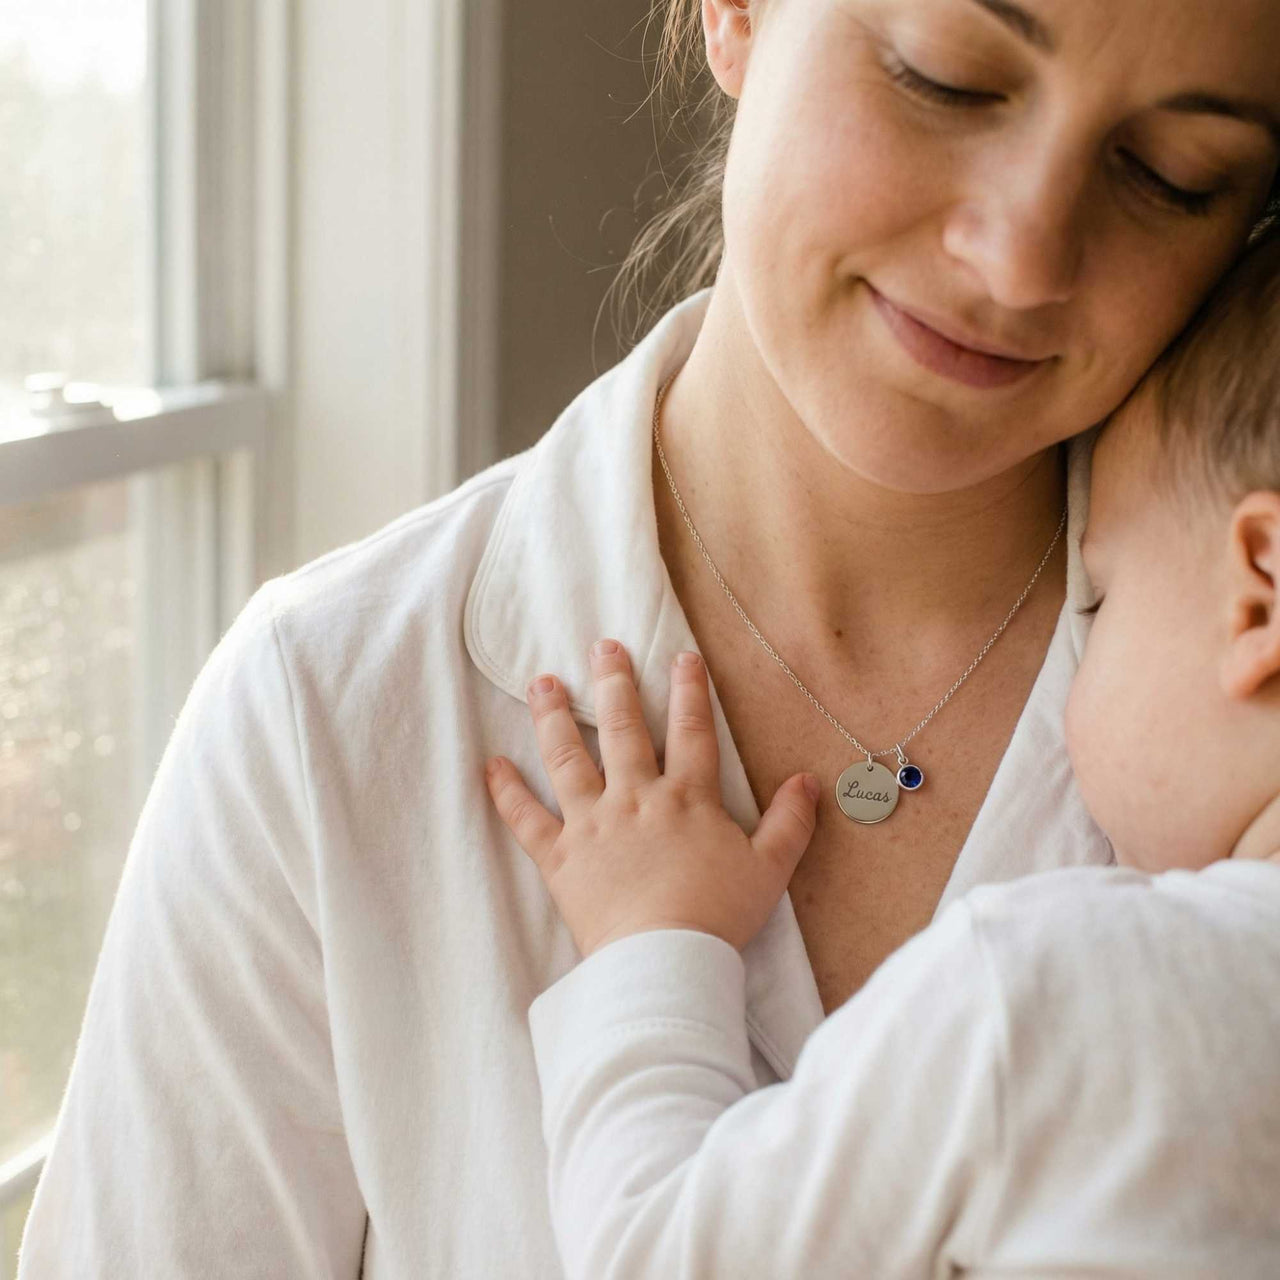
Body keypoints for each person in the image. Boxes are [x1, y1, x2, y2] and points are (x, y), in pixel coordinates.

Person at [17, 0, 1280, 1275]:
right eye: (941, 78)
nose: (1018, 259)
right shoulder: (324, 716)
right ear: (734, 14)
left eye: (1170, 177)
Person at [496, 231, 1280, 1278]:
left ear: (1259, 590)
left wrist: (653, 941)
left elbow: (654, 1252)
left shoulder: (1049, 994)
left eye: (1102, 588)